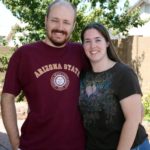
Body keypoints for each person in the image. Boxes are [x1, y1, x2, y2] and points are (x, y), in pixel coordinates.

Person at [1, 1, 89, 150]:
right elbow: (7, 97)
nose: (60, 28)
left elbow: (108, 75)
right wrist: (15, 142)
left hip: (77, 145)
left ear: (73, 26)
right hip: (35, 144)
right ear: (46, 20)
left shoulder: (81, 52)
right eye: (55, 20)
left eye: (66, 22)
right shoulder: (24, 55)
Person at [79, 22, 150, 150]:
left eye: (98, 40)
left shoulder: (123, 73)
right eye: (87, 41)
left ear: (107, 43)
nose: (92, 45)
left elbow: (133, 120)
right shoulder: (83, 76)